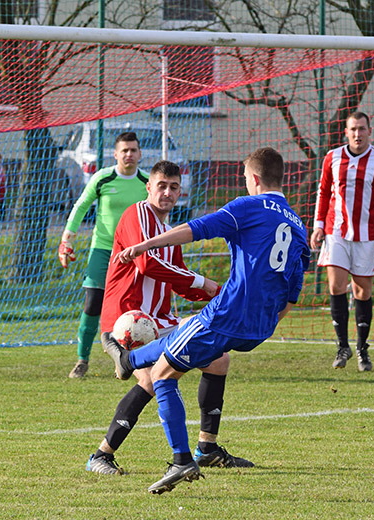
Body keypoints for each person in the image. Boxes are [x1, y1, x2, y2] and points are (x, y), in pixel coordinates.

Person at [104, 147, 310, 494]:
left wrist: (144, 246)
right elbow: (292, 294)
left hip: (226, 315)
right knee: (207, 355)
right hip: (259, 328)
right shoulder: (297, 224)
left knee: (163, 375)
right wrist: (264, 321)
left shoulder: (248, 207)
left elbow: (195, 229)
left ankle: (181, 460)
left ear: (254, 179)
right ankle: (130, 362)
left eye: (246, 179)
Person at [86, 160, 253, 476]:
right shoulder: (137, 215)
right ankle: (100, 456)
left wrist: (221, 294)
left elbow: (179, 280)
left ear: (180, 191)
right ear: (148, 187)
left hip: (160, 320)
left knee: (219, 361)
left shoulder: (169, 232)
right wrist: (206, 284)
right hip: (128, 321)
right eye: (161, 186)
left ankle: (207, 449)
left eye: (173, 187)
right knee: (151, 378)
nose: (167, 192)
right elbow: (147, 263)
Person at [309, 112, 374, 372]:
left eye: (362, 129)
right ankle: (342, 346)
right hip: (335, 232)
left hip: (367, 236)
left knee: (362, 292)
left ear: (370, 130)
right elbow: (323, 192)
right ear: (346, 132)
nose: (357, 134)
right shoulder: (332, 158)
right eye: (353, 129)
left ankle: (362, 348)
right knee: (336, 286)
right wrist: (318, 227)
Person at [60, 132, 149, 379]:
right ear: (115, 154)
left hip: (132, 253)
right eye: (124, 150)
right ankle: (82, 360)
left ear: (140, 153)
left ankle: (127, 359)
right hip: (102, 250)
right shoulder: (102, 178)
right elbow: (80, 206)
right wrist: (67, 239)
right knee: (92, 305)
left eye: (133, 150)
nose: (129, 154)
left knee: (130, 309)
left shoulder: (147, 182)